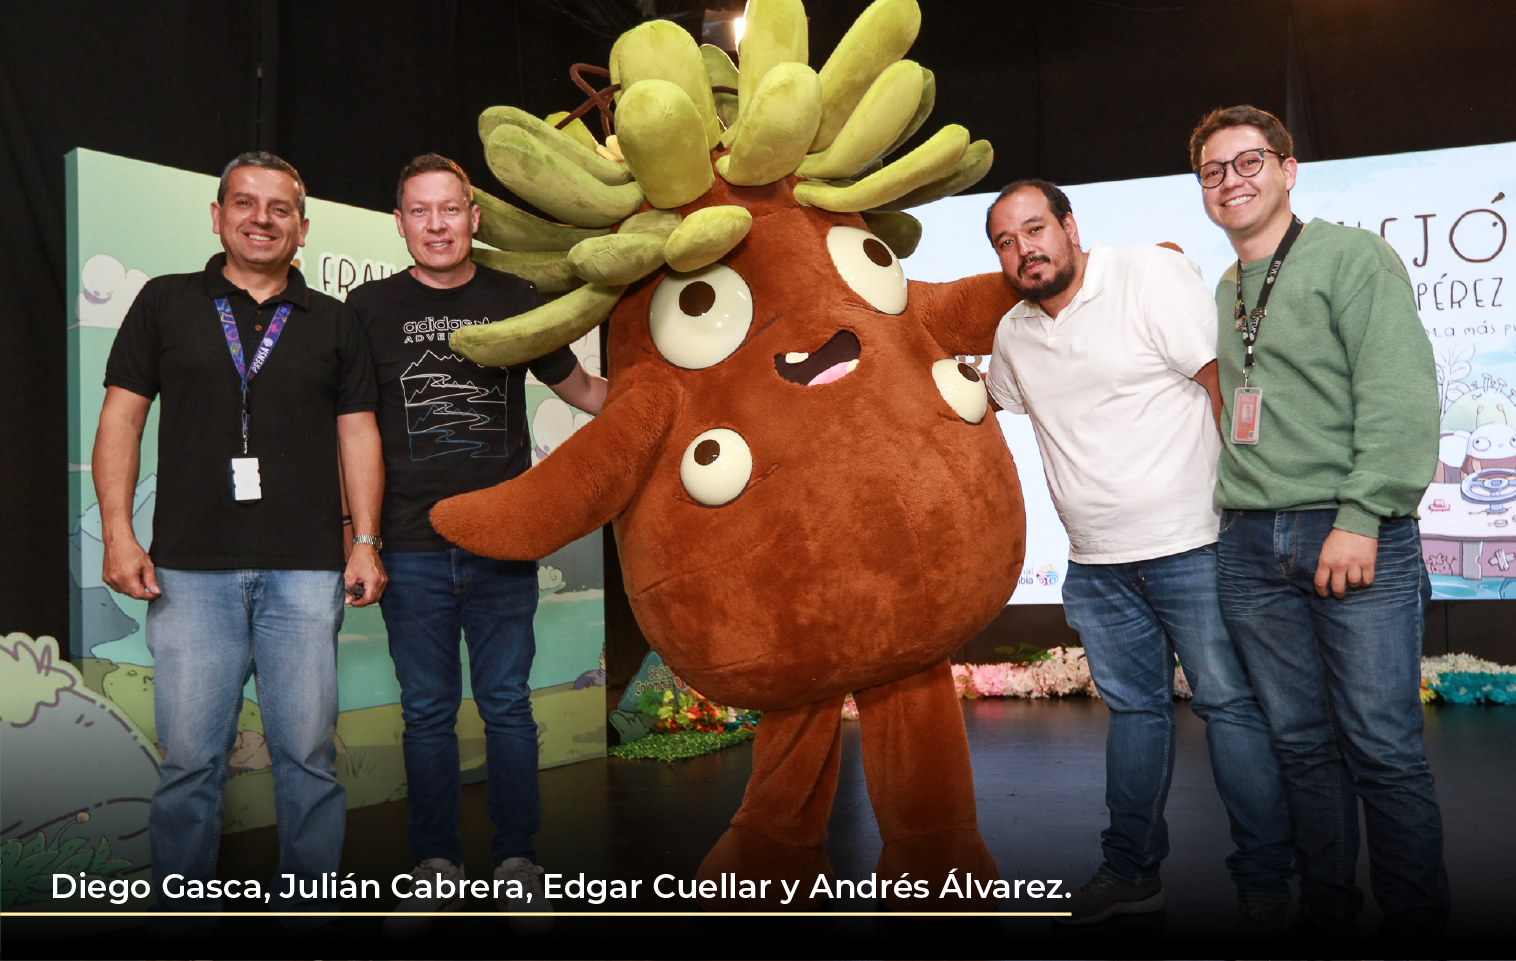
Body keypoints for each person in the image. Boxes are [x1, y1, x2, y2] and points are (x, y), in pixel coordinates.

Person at [983, 180, 1293, 929]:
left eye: (1035, 228)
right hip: (1096, 565)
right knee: (1134, 715)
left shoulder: (1147, 274)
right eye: (1005, 241)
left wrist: (1258, 508)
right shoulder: (1014, 334)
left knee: (1229, 708)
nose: (1024, 249)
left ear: (1070, 225)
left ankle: (1265, 884)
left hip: (1196, 543)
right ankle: (1131, 873)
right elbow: (991, 398)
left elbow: (1223, 385)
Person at [93, 151, 384, 931]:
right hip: (190, 572)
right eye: (245, 203)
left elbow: (358, 435)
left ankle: (310, 915)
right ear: (217, 216)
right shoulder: (165, 302)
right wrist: (118, 533)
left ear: (302, 227)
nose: (262, 218)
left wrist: (364, 540)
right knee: (191, 761)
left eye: (280, 208)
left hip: (306, 571)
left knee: (308, 759)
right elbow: (121, 418)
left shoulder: (335, 320)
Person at [1190, 105, 1448, 942]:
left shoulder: (1351, 257)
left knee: (1382, 746)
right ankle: (1328, 912)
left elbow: (1398, 393)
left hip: (1346, 529)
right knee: (1299, 745)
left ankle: (1417, 923)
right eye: (1214, 170)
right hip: (1249, 544)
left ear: (1288, 169)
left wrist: (1363, 514)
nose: (1231, 180)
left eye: (1249, 162)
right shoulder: (1227, 286)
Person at [346, 153, 607, 937]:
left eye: (450, 209)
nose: (437, 225)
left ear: (473, 217)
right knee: (426, 711)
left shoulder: (513, 298)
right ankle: (435, 863)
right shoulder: (367, 308)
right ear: (400, 223)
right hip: (409, 544)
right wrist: (359, 537)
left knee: (507, 706)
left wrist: (671, 400)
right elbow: (351, 430)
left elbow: (582, 390)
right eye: (420, 211)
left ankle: (517, 860)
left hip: (501, 539)